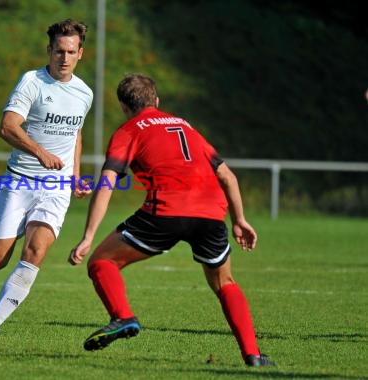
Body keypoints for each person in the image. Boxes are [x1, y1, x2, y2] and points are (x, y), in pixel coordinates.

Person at [68, 73, 275, 367]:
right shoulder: (185, 126)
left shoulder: (128, 130)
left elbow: (108, 182)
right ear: (157, 101)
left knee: (102, 262)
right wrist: (240, 219)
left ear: (124, 107)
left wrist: (88, 236)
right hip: (212, 213)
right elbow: (227, 175)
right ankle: (253, 355)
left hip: (166, 210)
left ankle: (122, 316)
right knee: (224, 282)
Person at [0, 19, 93, 334]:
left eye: (71, 52)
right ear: (49, 50)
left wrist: (74, 176)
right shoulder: (31, 82)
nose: (64, 58)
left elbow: (76, 134)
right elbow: (7, 127)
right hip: (20, 181)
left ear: (80, 53)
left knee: (36, 250)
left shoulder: (85, 93)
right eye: (59, 51)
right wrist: (40, 152)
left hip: (56, 188)